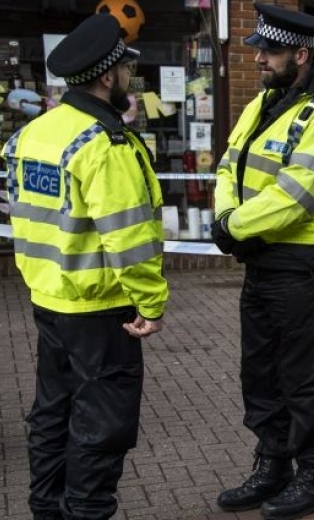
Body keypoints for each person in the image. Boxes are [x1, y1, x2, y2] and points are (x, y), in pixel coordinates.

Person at [0, 14, 168, 520]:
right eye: (125, 70)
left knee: (52, 414)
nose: (129, 78)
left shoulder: (30, 136)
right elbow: (129, 239)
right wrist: (151, 303)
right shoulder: (104, 144)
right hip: (100, 309)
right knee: (101, 425)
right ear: (107, 75)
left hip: (49, 301)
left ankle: (46, 509)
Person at [211, 2, 314, 518]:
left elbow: (298, 196)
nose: (259, 59)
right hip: (261, 261)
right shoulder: (264, 102)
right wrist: (228, 217)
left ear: (300, 54)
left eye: (270, 51)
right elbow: (228, 165)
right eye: (259, 49)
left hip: (300, 265)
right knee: (260, 372)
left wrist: (233, 227)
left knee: (303, 375)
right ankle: (272, 465)